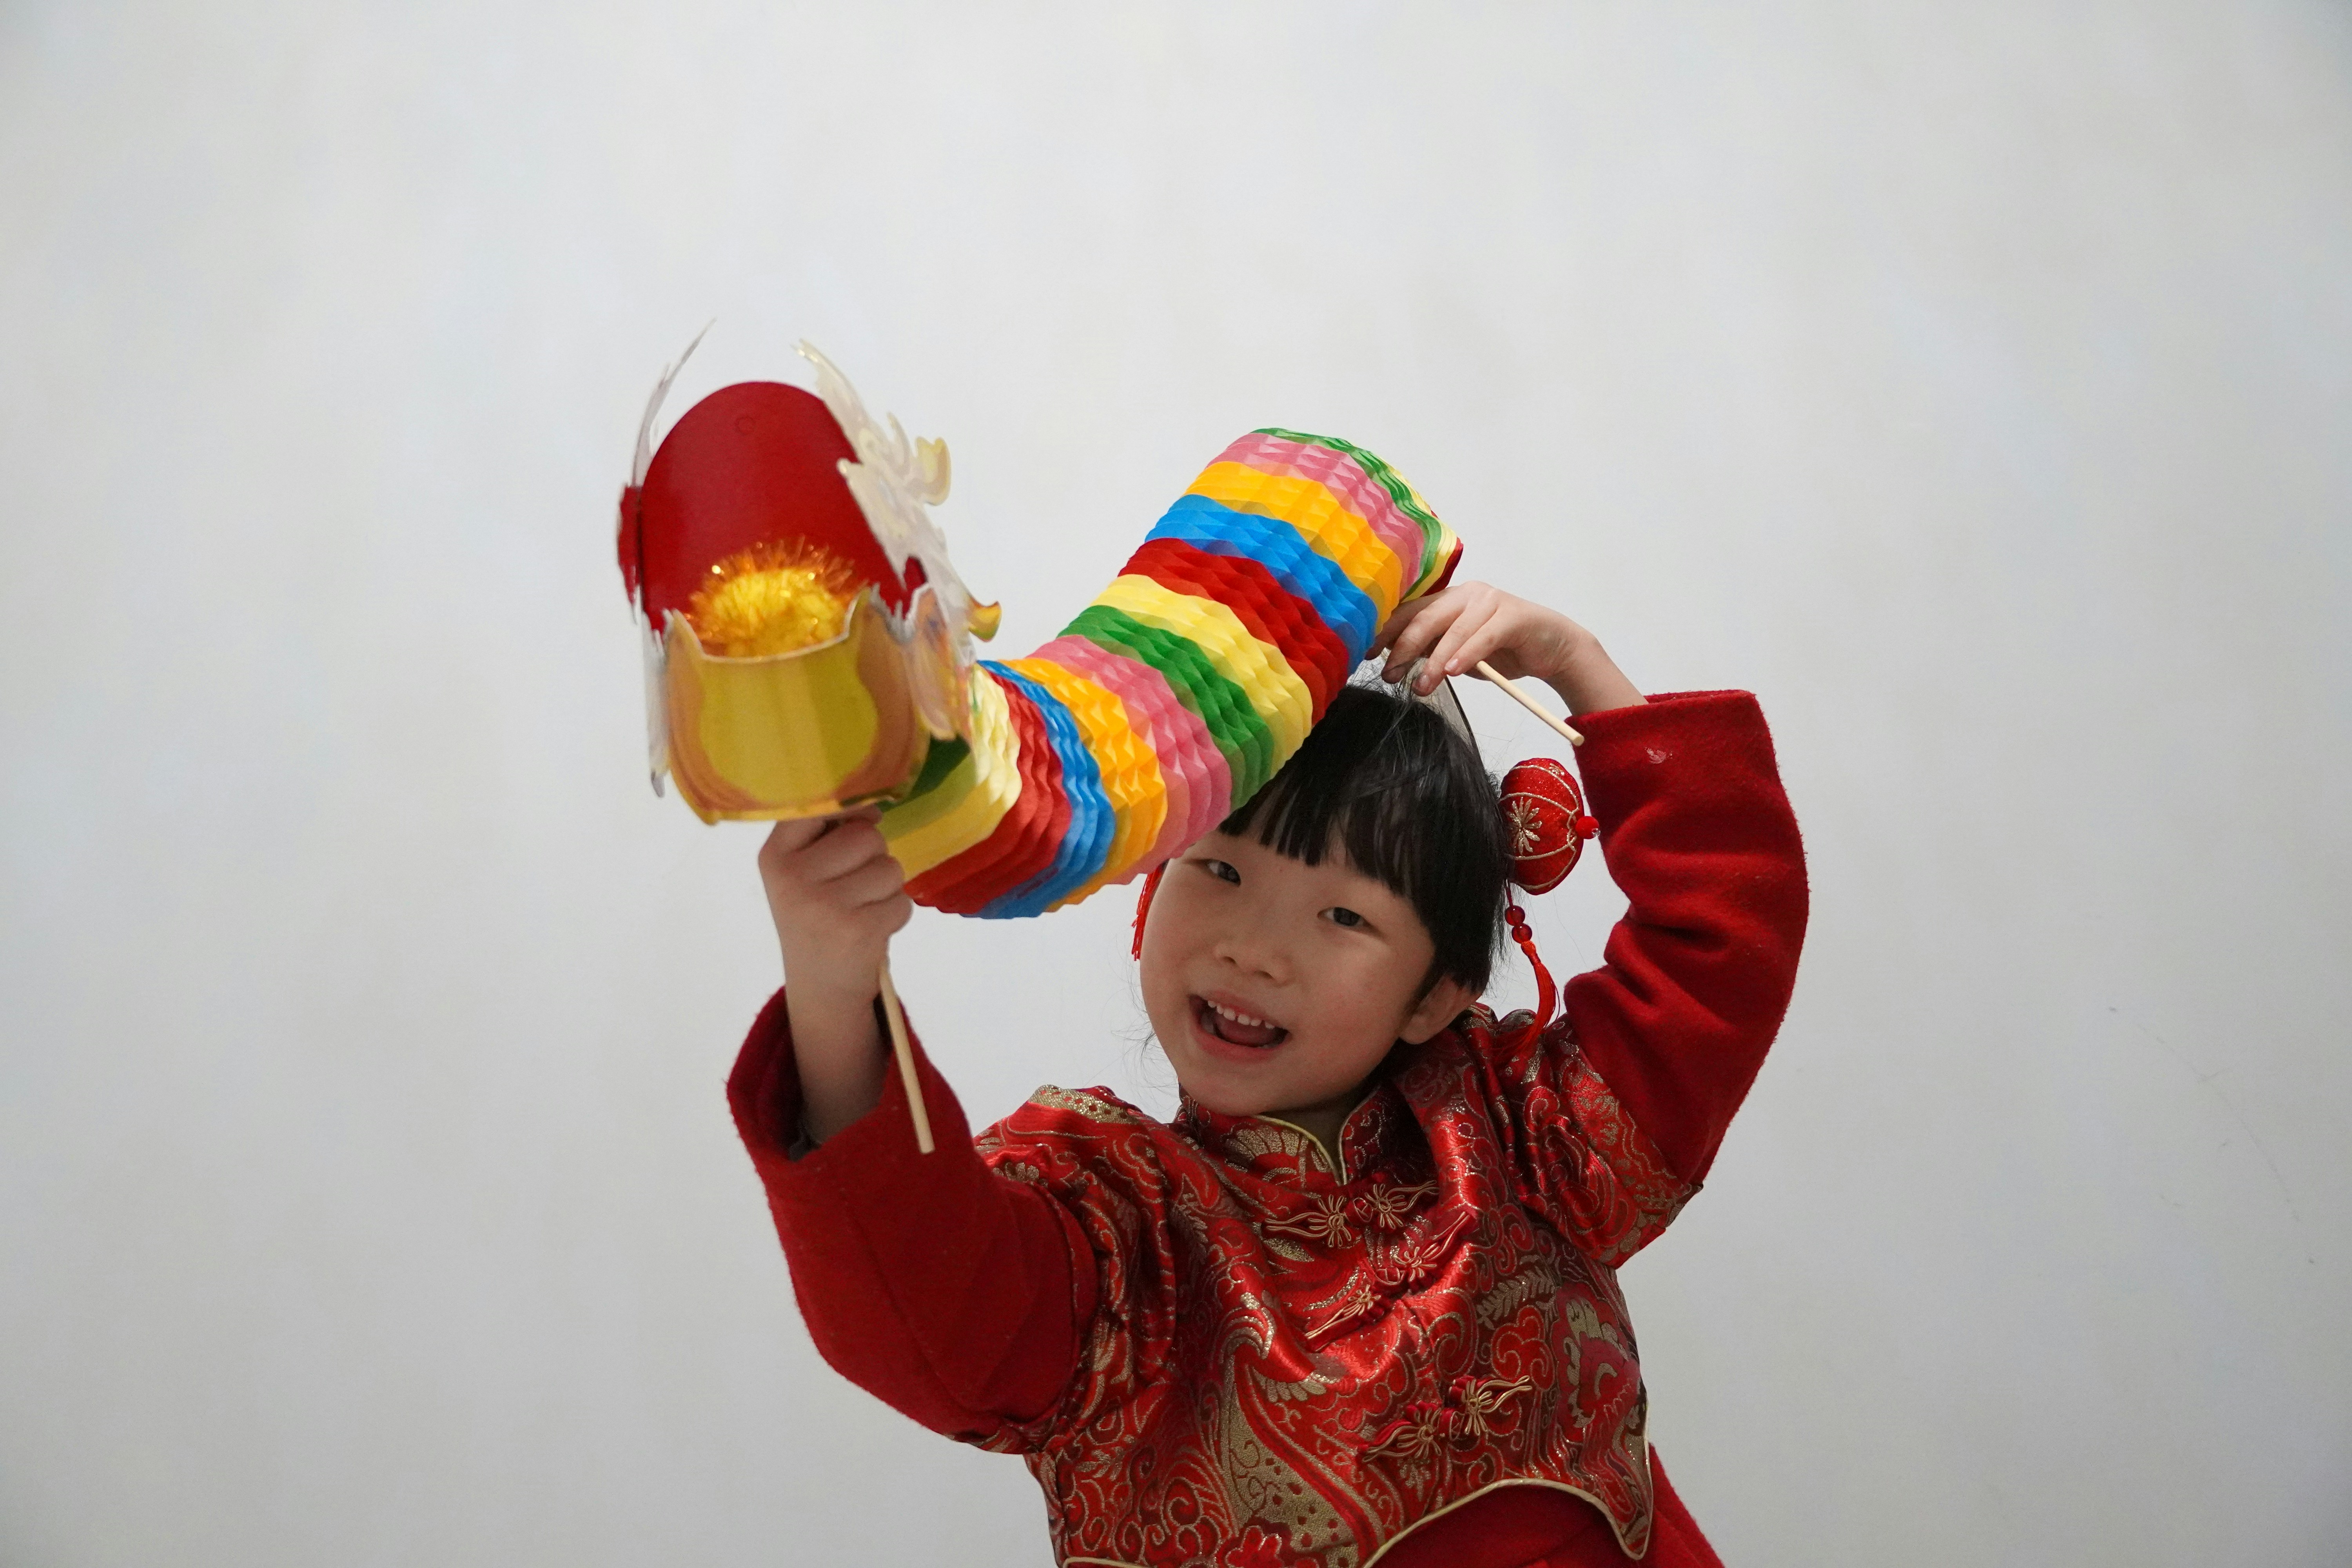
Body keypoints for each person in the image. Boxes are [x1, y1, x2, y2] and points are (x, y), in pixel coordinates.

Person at [728, 581, 1808, 1567]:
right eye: (1223, 868)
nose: (1256, 947)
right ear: (1150, 890)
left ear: (1438, 993)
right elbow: (924, 1305)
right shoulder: (1116, 1231)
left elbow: (1722, 941)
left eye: (1343, 914)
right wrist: (834, 976)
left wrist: (1575, 660)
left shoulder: (1530, 1138)